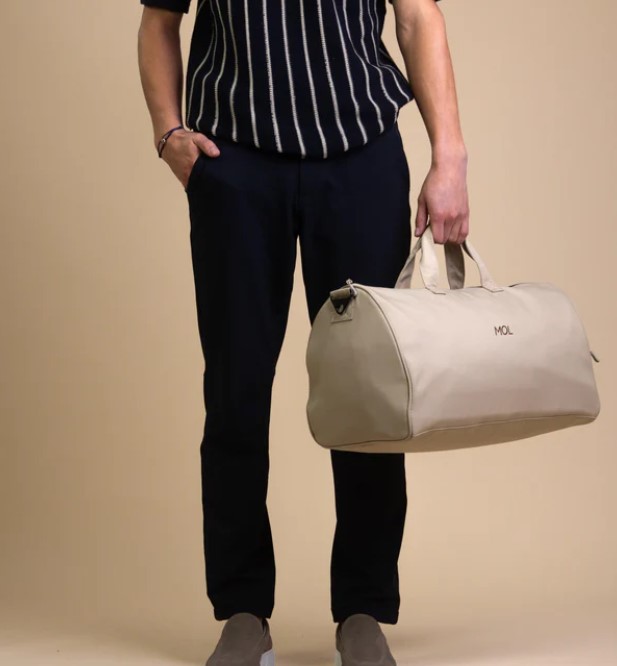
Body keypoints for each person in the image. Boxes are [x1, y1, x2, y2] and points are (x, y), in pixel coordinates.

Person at [137, 0, 468, 664]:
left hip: (359, 157)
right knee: (235, 391)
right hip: (235, 163)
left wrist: (449, 155)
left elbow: (416, 15)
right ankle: (243, 612)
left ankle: (362, 611)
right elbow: (158, 20)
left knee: (369, 394)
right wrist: (168, 132)